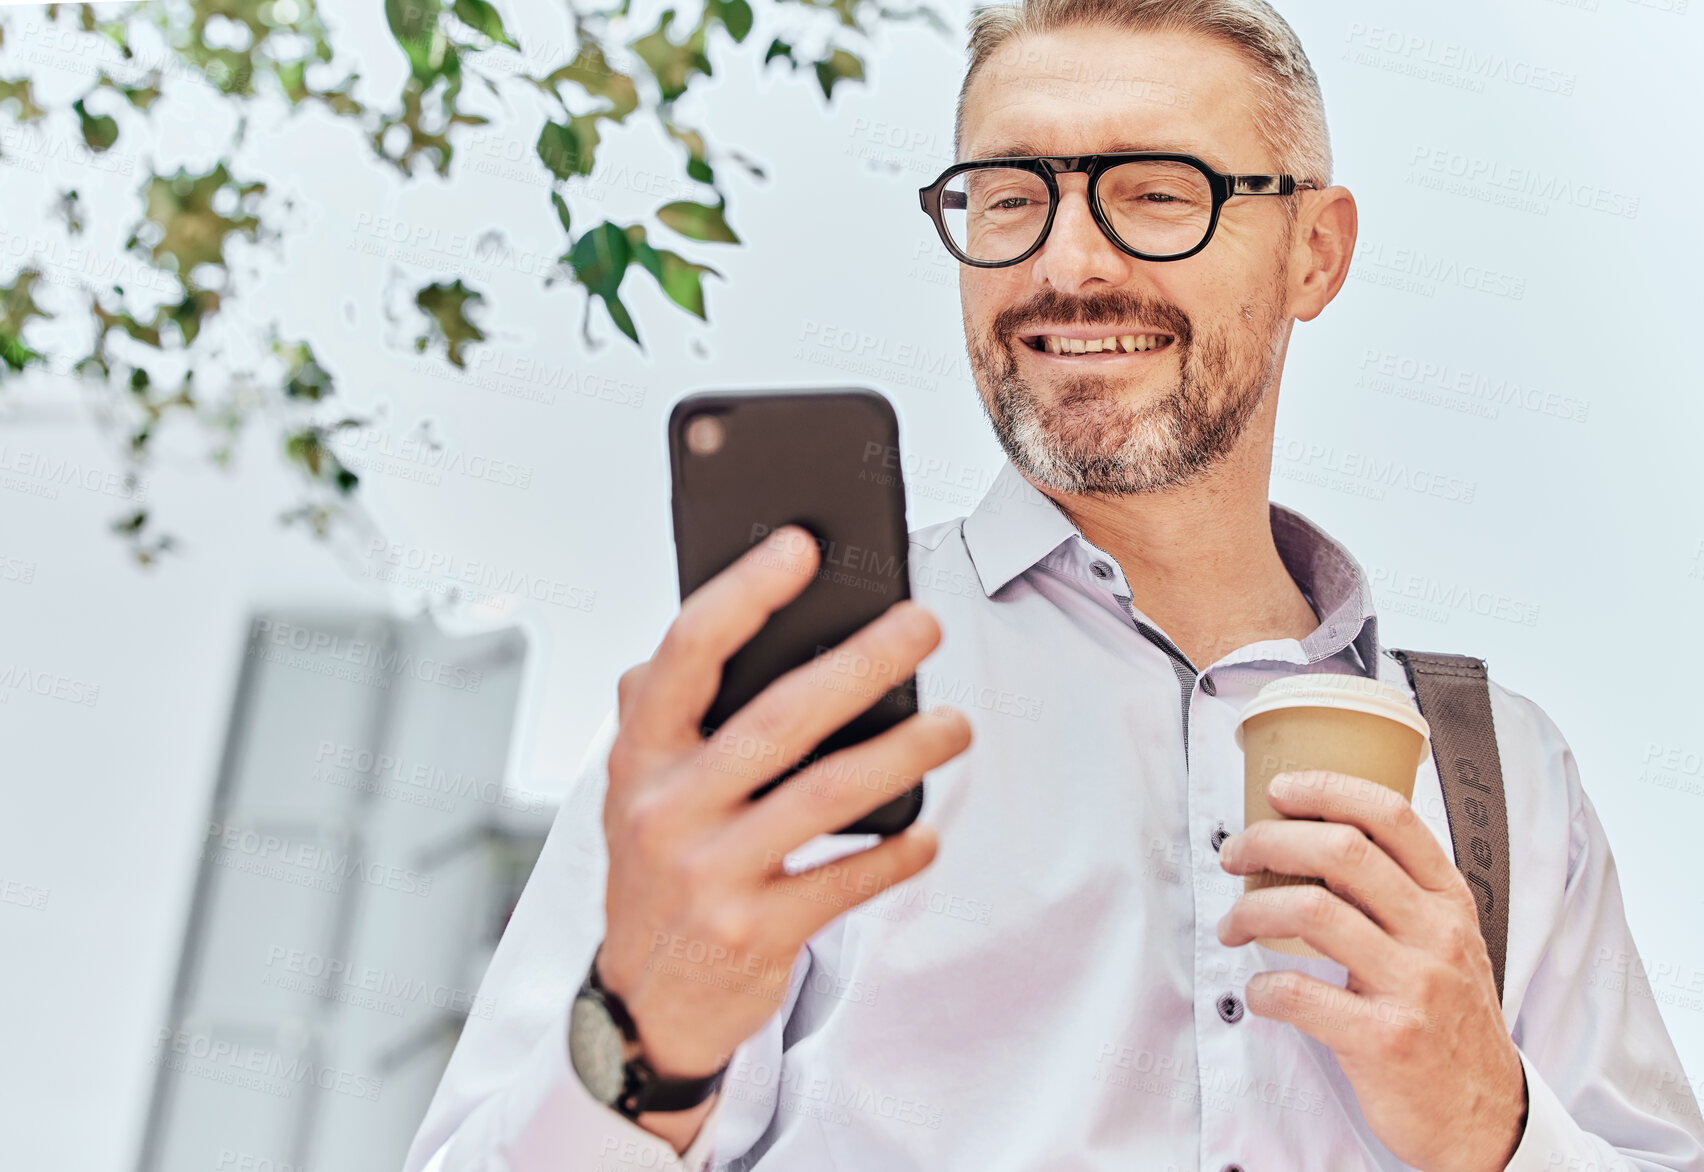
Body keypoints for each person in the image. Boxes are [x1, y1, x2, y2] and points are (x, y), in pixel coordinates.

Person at [403, 1, 1704, 1169]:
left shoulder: (1508, 778)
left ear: (1317, 251)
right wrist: (647, 1043)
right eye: (1011, 196)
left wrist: (1494, 1121)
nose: (1066, 265)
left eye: (1155, 192)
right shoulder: (783, 709)